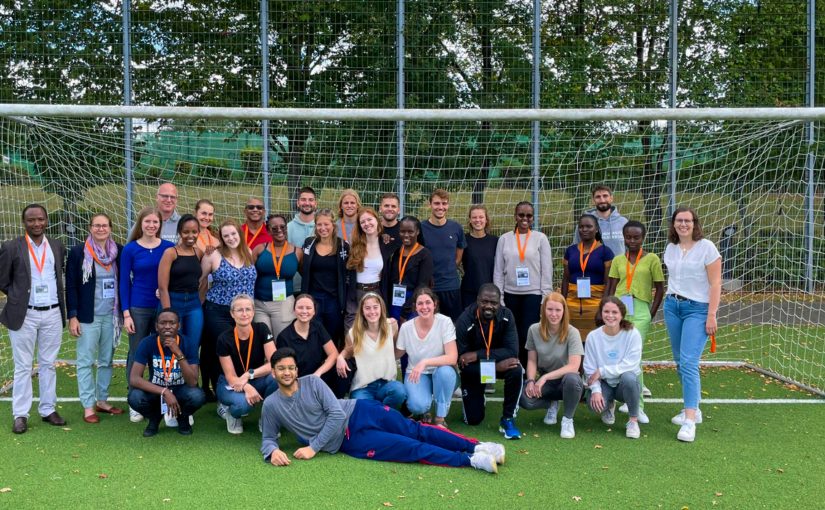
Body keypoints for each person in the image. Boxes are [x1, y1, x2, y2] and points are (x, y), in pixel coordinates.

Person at [261, 347, 504, 473]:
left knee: (416, 430)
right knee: (410, 447)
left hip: (360, 410)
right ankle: (471, 460)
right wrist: (272, 452)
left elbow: (336, 414)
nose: (287, 373)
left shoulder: (312, 382)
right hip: (352, 441)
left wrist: (314, 447)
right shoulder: (271, 405)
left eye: (291, 368)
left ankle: (476, 445)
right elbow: (268, 438)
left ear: (296, 370)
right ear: (273, 372)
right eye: (281, 369)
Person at [0, 204, 67, 434]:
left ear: (47, 220)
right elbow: (3, 280)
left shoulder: (57, 246)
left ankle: (48, 409)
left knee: (48, 363)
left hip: (52, 313)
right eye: (31, 220)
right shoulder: (11, 247)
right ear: (23, 222)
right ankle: (20, 414)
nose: (36, 223)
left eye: (40, 219)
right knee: (23, 366)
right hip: (24, 314)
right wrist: (18, 298)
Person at [662, 206, 721, 443]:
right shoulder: (671, 248)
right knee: (679, 361)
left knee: (688, 362)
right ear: (674, 224)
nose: (683, 224)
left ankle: (689, 421)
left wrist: (711, 315)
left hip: (698, 310)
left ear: (695, 223)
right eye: (679, 220)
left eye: (687, 220)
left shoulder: (707, 248)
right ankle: (693, 408)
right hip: (672, 307)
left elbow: (716, 284)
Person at [66, 213, 124, 424]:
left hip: (111, 316)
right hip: (87, 317)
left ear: (110, 228)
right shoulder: (78, 252)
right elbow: (71, 285)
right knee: (85, 361)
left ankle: (102, 400)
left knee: (106, 361)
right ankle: (88, 405)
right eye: (97, 226)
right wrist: (73, 315)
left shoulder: (118, 251)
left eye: (105, 225)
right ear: (90, 228)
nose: (101, 229)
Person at [120, 207, 175, 422]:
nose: (151, 225)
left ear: (160, 225)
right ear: (140, 224)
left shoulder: (169, 247)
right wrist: (126, 313)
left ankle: (158, 396)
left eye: (155, 222)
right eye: (148, 222)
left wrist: (164, 289)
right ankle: (135, 398)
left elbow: (176, 275)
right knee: (136, 352)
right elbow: (124, 281)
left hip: (162, 308)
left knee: (161, 353)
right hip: (138, 308)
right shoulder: (130, 249)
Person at [605, 220, 664, 418]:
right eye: (628, 237)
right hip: (619, 310)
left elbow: (659, 289)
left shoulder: (652, 259)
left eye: (636, 237)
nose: (632, 240)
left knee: (634, 356)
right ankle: (625, 395)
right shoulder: (618, 260)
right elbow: (611, 287)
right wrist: (607, 309)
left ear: (643, 238)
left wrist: (650, 313)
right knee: (621, 353)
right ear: (624, 237)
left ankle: (638, 406)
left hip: (640, 311)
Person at [455, 284, 523, 440]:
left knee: (516, 368)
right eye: (485, 301)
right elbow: (463, 361)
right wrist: (494, 366)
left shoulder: (507, 316)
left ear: (499, 303)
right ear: (477, 300)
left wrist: (479, 355)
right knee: (473, 420)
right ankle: (479, 397)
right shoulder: (465, 319)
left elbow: (512, 351)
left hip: (495, 364)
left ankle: (507, 419)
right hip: (474, 371)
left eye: (494, 303)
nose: (489, 306)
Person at [200, 219, 257, 401]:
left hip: (244, 314)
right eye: (226, 235)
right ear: (221, 239)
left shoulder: (248, 252)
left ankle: (239, 384)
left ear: (239, 234)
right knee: (223, 348)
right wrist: (200, 306)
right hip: (219, 311)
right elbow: (200, 282)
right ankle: (220, 389)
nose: (231, 238)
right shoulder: (213, 256)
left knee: (242, 348)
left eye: (233, 234)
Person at [127, 308, 205, 437]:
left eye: (172, 323)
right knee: (134, 397)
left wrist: (178, 353)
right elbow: (134, 379)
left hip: (181, 390)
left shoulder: (188, 343)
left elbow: (193, 381)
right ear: (156, 326)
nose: (167, 326)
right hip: (157, 390)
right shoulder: (147, 343)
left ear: (178, 325)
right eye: (163, 323)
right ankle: (155, 418)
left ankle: (182, 418)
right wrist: (164, 391)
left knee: (198, 396)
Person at [493, 201, 553, 368]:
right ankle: (512, 367)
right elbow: (498, 270)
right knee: (511, 334)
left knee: (528, 333)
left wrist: (545, 297)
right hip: (510, 294)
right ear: (515, 216)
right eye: (521, 215)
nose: (525, 218)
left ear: (533, 218)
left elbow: (547, 270)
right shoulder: (504, 239)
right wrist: (500, 297)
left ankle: (528, 369)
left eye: (529, 215)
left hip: (533, 295)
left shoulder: (540, 238)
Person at [519, 292, 584, 439]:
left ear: (564, 311)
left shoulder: (572, 332)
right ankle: (551, 404)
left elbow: (574, 366)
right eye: (550, 309)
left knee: (573, 379)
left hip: (566, 381)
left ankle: (567, 419)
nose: (553, 314)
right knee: (523, 398)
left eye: (558, 310)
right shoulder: (534, 330)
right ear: (543, 310)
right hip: (546, 381)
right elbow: (531, 360)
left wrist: (544, 378)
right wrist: (530, 381)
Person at [395, 287, 458, 428]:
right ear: (415, 307)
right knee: (416, 406)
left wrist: (425, 362)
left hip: (441, 371)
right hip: (416, 373)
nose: (424, 307)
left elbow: (452, 357)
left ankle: (440, 418)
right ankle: (425, 411)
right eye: (420, 303)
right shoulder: (406, 327)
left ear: (434, 304)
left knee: (445, 372)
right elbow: (396, 354)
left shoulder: (445, 322)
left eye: (428, 303)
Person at [216, 294, 277, 434]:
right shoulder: (224, 338)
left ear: (253, 312)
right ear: (232, 313)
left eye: (248, 309)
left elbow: (275, 363)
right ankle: (231, 412)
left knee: (277, 377)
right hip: (230, 383)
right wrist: (246, 385)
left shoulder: (261, 329)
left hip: (256, 378)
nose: (244, 314)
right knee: (242, 405)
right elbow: (231, 377)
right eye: (239, 310)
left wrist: (249, 375)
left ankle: (267, 418)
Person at [583, 297, 643, 439]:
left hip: (624, 384)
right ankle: (608, 405)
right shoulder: (593, 336)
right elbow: (590, 368)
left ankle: (633, 421)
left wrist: (603, 371)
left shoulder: (632, 334)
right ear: (601, 313)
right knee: (594, 405)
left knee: (629, 377)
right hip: (605, 383)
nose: (610, 316)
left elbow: (631, 364)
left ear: (622, 315)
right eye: (606, 311)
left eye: (614, 312)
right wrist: (596, 391)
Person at [336, 293, 406, 408]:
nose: (372, 311)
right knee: (362, 406)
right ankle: (382, 413)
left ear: (381, 308)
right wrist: (340, 357)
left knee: (399, 391)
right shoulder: (354, 333)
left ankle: (379, 412)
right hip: (363, 387)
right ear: (362, 311)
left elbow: (395, 349)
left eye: (375, 307)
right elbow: (348, 351)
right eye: (367, 308)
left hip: (386, 384)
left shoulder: (392, 325)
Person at [300, 209, 353, 349]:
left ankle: (332, 368)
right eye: (319, 225)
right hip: (313, 300)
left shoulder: (342, 246)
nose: (323, 228)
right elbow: (303, 268)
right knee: (313, 336)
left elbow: (347, 273)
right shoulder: (309, 244)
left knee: (332, 338)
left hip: (334, 301)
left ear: (333, 225)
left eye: (326, 224)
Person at [561, 213, 614, 341]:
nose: (584, 229)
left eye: (588, 226)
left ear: (596, 229)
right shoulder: (571, 251)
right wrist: (562, 304)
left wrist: (603, 308)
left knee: (596, 343)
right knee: (573, 343)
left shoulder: (605, 252)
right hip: (572, 305)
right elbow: (566, 279)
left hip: (595, 305)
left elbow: (608, 282)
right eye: (581, 227)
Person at [275, 294, 341, 395]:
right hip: (298, 382)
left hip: (320, 376)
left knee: (344, 366)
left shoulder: (318, 327)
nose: (304, 311)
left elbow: (333, 353)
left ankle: (337, 400)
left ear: (314, 311)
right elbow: (285, 370)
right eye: (300, 308)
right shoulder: (284, 337)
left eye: (308, 308)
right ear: (294, 310)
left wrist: (318, 373)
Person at [157, 214, 204, 356]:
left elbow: (204, 280)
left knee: (192, 346)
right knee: (172, 346)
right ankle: (171, 377)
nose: (190, 235)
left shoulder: (199, 253)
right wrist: (168, 313)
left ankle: (191, 378)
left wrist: (199, 301)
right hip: (173, 302)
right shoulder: (170, 253)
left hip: (194, 305)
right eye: (186, 232)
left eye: (194, 232)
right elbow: (163, 287)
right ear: (179, 232)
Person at [420, 189, 466, 321]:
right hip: (429, 288)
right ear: (430, 205)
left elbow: (458, 256)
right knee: (430, 326)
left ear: (448, 205)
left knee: (452, 326)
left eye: (444, 203)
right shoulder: (421, 228)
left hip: (451, 286)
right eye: (437, 203)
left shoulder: (456, 228)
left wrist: (449, 268)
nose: (441, 207)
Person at [252, 214, 301, 338]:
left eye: (282, 227)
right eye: (274, 228)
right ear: (268, 230)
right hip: (260, 304)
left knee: (282, 341)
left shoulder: (297, 252)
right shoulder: (259, 249)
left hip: (284, 304)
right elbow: (248, 275)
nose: (279, 230)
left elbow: (307, 275)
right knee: (263, 342)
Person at [383, 215, 433, 322]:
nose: (406, 235)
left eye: (410, 231)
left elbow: (422, 286)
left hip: (413, 302)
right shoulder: (396, 252)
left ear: (417, 232)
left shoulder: (425, 255)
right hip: (395, 300)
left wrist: (406, 311)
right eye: (402, 231)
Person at [347, 207, 391, 313]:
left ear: (377, 220)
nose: (366, 224)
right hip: (357, 293)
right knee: (352, 328)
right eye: (362, 222)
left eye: (369, 219)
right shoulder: (353, 245)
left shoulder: (385, 243)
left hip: (377, 291)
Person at [573, 184, 628, 257]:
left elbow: (629, 249)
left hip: (618, 268)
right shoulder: (584, 223)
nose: (602, 200)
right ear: (593, 200)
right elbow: (576, 248)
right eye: (598, 197)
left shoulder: (623, 222)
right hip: (594, 268)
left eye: (605, 196)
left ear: (611, 198)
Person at [460, 205, 498, 310]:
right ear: (470, 220)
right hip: (469, 291)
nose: (478, 220)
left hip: (490, 292)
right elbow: (456, 261)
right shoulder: (464, 240)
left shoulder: (495, 241)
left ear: (486, 220)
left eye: (481, 217)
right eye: (474, 217)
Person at [287, 186, 316, 294]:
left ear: (315, 203)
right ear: (298, 203)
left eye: (311, 200)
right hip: (294, 287)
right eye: (303, 199)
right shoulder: (288, 228)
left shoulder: (323, 228)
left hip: (317, 286)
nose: (307, 203)